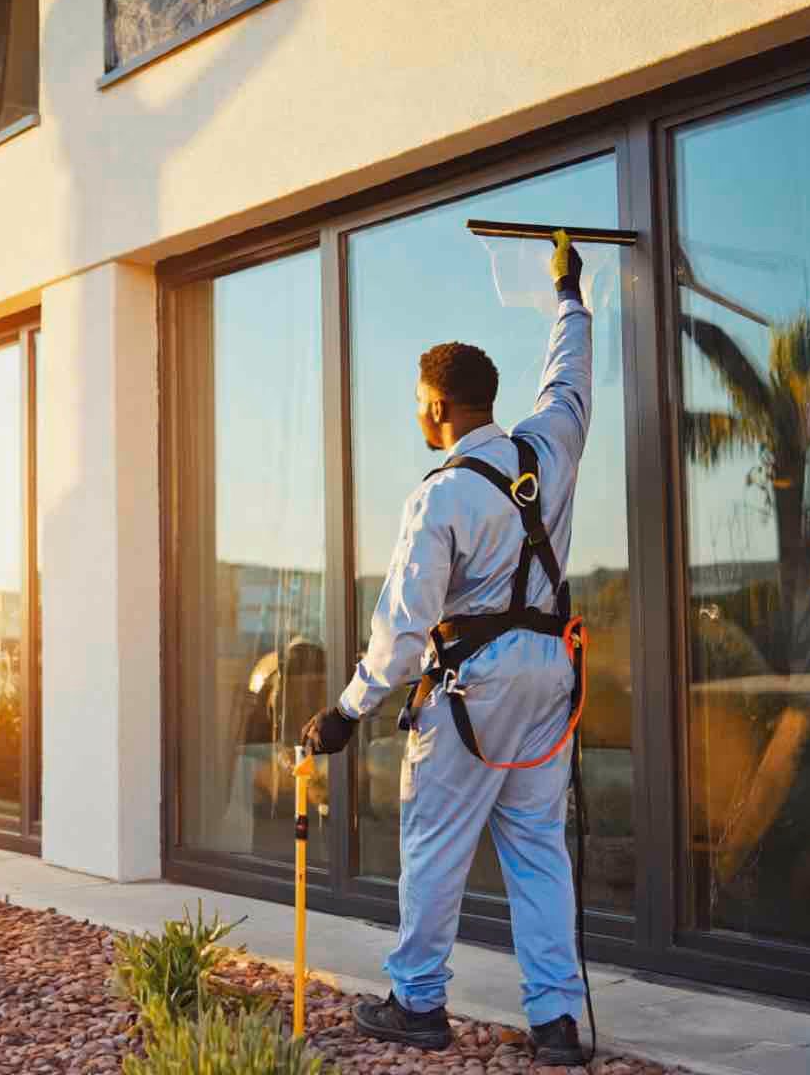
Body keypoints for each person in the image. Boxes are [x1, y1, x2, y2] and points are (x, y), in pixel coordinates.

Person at [301, 233, 591, 1068]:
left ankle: (418, 1003)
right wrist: (568, 292)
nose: (417, 415)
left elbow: (402, 624)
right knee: (537, 847)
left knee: (434, 841)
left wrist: (350, 710)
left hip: (472, 689)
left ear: (439, 409)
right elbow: (571, 372)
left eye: (419, 403)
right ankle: (556, 1023)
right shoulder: (551, 448)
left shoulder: (439, 497)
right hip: (550, 680)